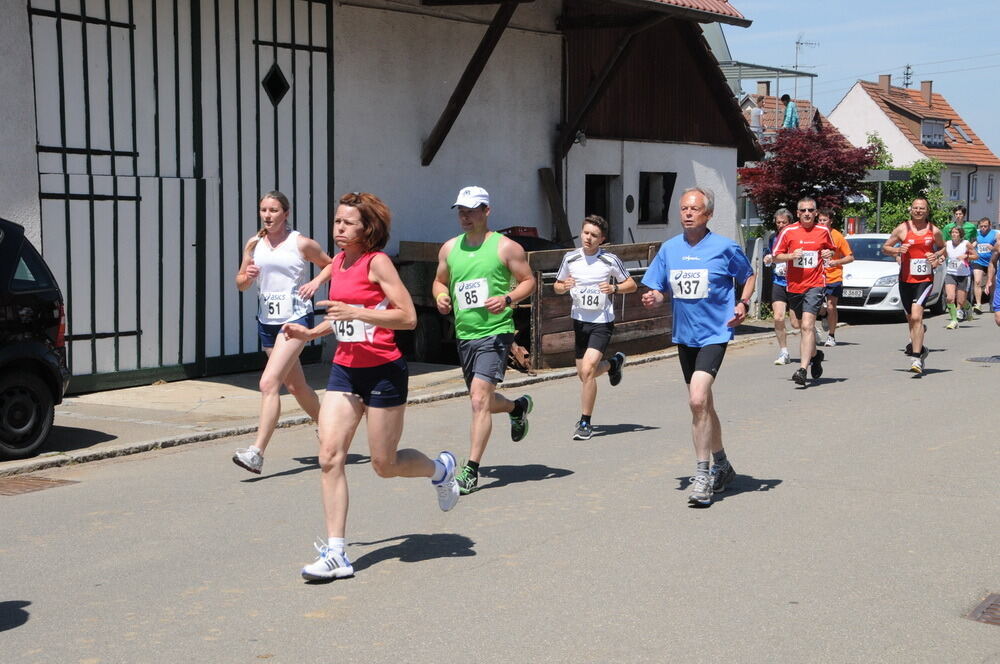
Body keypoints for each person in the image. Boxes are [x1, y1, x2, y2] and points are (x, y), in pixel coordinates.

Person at [282, 192, 459, 581]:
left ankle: (441, 471)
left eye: (348, 223)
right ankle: (336, 553)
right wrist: (311, 332)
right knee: (329, 455)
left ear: (368, 228)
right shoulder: (340, 263)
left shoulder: (376, 262)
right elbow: (343, 319)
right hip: (345, 371)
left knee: (384, 464)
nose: (339, 229)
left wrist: (356, 311)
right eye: (337, 222)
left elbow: (407, 317)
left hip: (383, 370)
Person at [641, 187, 755, 507]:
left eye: (694, 209)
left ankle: (702, 475)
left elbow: (748, 276)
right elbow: (660, 286)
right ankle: (722, 464)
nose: (687, 213)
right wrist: (656, 297)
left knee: (696, 398)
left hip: (715, 334)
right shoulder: (669, 249)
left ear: (708, 215)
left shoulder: (725, 248)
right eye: (683, 208)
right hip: (684, 336)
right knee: (703, 405)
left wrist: (743, 303)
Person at [433, 186, 537, 494]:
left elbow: (528, 280)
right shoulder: (450, 248)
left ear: (486, 211)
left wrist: (506, 298)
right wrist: (440, 297)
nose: (464, 216)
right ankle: (517, 408)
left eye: (471, 210)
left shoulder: (506, 248)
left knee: (479, 399)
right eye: (461, 211)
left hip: (496, 332)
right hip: (465, 333)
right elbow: (440, 281)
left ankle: (471, 470)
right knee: (484, 401)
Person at [232, 191, 332, 474]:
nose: (267, 215)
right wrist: (246, 277)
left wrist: (315, 283)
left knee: (268, 383)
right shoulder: (254, 244)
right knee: (296, 386)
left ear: (285, 214)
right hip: (267, 321)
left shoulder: (300, 243)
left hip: (294, 319)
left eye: (274, 210)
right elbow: (240, 283)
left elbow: (332, 264)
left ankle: (256, 452)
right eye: (263, 209)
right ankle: (330, 428)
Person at [553, 215, 637, 440]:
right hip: (579, 322)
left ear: (602, 239)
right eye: (586, 233)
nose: (588, 238)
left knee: (589, 369)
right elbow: (557, 285)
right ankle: (613, 364)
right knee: (583, 374)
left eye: (594, 235)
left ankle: (585, 422)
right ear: (581, 233)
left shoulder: (610, 260)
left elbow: (631, 284)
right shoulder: (570, 258)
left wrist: (615, 289)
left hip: (602, 322)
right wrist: (564, 286)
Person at [771, 197, 835, 386]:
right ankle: (816, 355)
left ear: (816, 213)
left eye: (810, 210)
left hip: (815, 283)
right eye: (803, 210)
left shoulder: (823, 231)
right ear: (798, 213)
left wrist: (827, 253)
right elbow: (775, 257)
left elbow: (831, 250)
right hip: (794, 286)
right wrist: (791, 255)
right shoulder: (788, 231)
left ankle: (802, 369)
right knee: (797, 324)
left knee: (807, 326)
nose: (807, 213)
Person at [882, 198, 945, 374]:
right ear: (911, 210)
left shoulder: (934, 230)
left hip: (924, 280)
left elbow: (943, 249)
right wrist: (897, 250)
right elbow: (885, 247)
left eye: (922, 208)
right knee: (911, 319)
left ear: (927, 211)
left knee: (917, 316)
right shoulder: (903, 228)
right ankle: (922, 349)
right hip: (905, 280)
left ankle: (916, 358)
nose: (918, 211)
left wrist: (937, 258)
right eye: (916, 208)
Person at [762, 208, 800, 364]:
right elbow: (770, 253)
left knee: (796, 323)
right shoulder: (773, 238)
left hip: (795, 282)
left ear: (790, 222)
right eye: (778, 222)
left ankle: (810, 334)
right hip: (779, 281)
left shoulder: (796, 236)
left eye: (784, 222)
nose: (781, 225)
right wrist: (768, 258)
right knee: (778, 317)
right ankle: (784, 352)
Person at [817, 209, 854, 346]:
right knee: (817, 306)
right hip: (817, 276)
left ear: (830, 221)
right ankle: (823, 314)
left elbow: (850, 257)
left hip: (834, 276)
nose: (821, 223)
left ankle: (831, 336)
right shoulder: (813, 235)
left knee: (832, 306)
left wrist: (836, 262)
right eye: (819, 220)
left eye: (824, 220)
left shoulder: (837, 236)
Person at [936, 226, 977, 329]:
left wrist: (967, 257)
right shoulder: (948, 244)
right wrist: (939, 260)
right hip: (951, 274)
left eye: (956, 232)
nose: (954, 234)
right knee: (949, 298)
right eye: (952, 232)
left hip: (963, 275)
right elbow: (944, 255)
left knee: (961, 301)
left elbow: (976, 256)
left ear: (961, 234)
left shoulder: (966, 244)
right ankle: (954, 320)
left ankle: (967, 308)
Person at [942, 206, 977, 321]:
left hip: (964, 264)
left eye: (960, 214)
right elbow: (944, 244)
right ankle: (955, 318)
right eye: (956, 214)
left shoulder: (971, 227)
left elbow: (975, 240)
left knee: (961, 298)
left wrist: (967, 253)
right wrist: (941, 257)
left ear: (964, 215)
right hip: (951, 266)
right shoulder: (948, 227)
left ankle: (963, 308)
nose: (958, 216)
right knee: (950, 296)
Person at [972, 217, 996, 312]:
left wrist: (993, 248)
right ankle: (978, 304)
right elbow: (973, 244)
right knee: (977, 281)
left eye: (985, 226)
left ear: (990, 226)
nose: (983, 228)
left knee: (992, 283)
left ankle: (992, 302)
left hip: (991, 262)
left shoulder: (995, 234)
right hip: (979, 261)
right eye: (981, 226)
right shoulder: (976, 234)